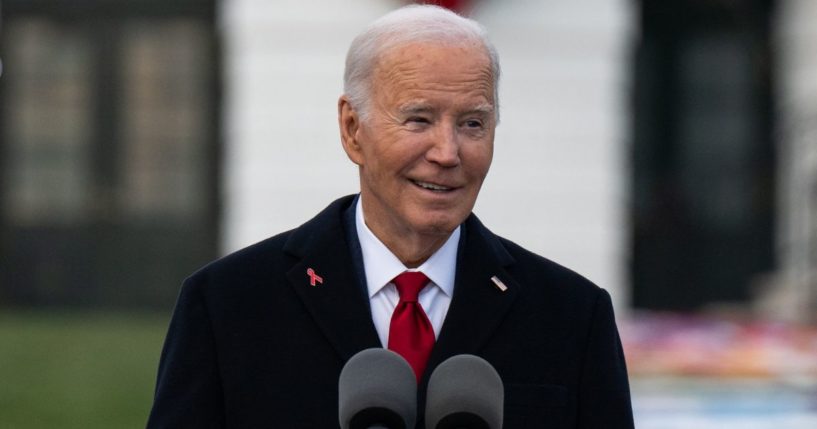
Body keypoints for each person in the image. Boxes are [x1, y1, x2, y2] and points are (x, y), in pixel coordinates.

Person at [147, 5, 634, 428]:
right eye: (419, 119)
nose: (447, 152)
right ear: (352, 129)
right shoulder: (228, 304)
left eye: (472, 123)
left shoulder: (571, 316)